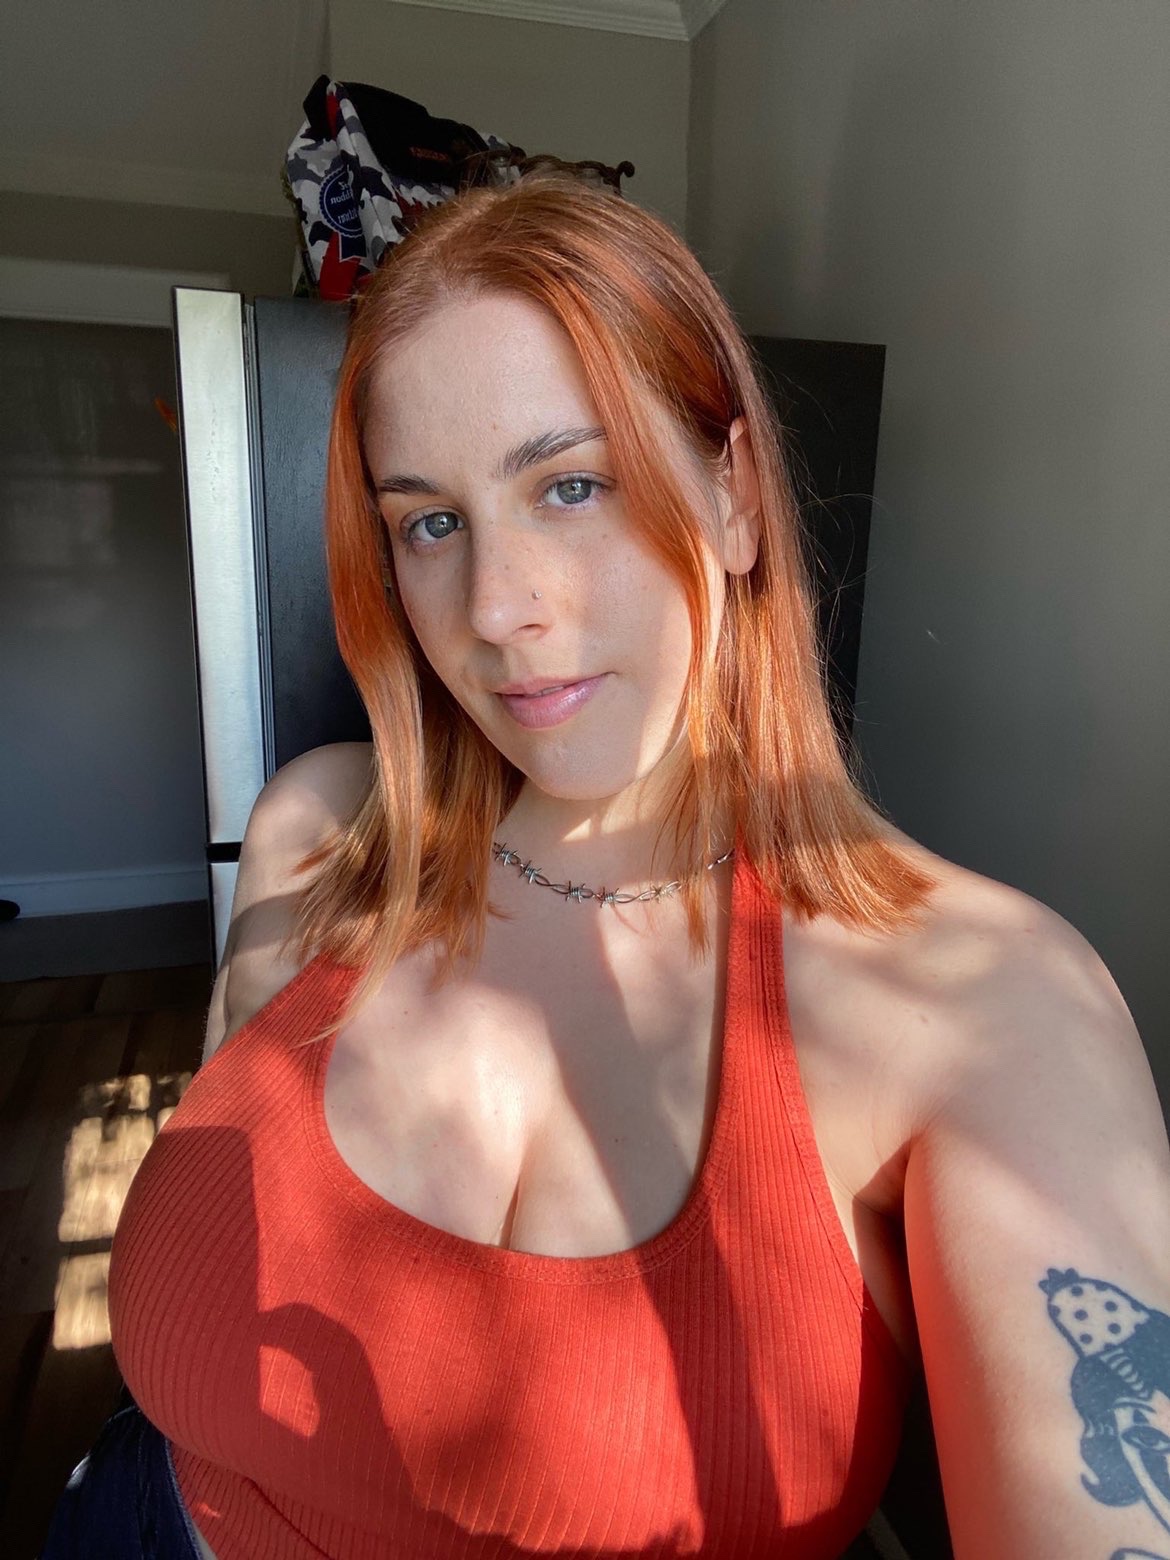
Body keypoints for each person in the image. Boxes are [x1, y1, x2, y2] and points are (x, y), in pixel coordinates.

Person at [43, 169, 1170, 1560]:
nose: (497, 610)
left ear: (734, 495)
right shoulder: (322, 837)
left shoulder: (991, 1003)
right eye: (430, 522)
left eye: (571, 485)